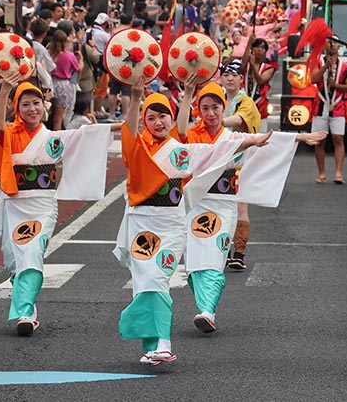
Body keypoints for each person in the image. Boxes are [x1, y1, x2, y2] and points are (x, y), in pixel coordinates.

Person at [113, 74, 270, 365]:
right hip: (140, 223)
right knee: (144, 282)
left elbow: (217, 151)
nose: (158, 122)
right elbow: (129, 127)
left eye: (164, 117)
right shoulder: (136, 148)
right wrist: (135, 98)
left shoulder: (181, 152)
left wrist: (253, 141)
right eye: (152, 117)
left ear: (171, 120)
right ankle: (152, 344)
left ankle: (162, 342)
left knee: (158, 278)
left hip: (171, 223)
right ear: (144, 122)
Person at [176, 78, 325, 332]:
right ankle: (203, 305)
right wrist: (188, 93)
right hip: (195, 205)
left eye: (216, 107)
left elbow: (267, 139)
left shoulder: (233, 137)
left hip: (223, 206)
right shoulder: (192, 135)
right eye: (205, 108)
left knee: (213, 257)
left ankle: (207, 311)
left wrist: (300, 137)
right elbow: (179, 132)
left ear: (225, 109)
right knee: (194, 261)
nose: (211, 113)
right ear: (198, 111)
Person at [0, 78, 112, 336]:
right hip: (14, 204)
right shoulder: (9, 134)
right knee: (14, 262)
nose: (32, 109)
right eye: (25, 104)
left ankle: (23, 312)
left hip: (42, 205)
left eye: (36, 103)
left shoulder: (52, 138)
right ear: (16, 107)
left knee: (31, 253)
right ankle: (29, 308)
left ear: (44, 105)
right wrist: (4, 93)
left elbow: (85, 137)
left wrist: (123, 125)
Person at [219, 59, 262, 271]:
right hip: (217, 160)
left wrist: (217, 121)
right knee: (218, 205)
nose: (229, 78)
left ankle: (239, 252)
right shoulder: (214, 97)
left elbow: (241, 119)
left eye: (234, 75)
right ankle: (223, 250)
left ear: (241, 79)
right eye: (226, 74)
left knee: (240, 205)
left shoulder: (245, 101)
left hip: (239, 161)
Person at [310, 41, 347, 185]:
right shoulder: (318, 62)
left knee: (338, 139)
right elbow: (313, 79)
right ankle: (321, 173)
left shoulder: (345, 66)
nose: (332, 46)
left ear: (339, 47)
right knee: (319, 140)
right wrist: (326, 66)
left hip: (338, 105)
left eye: (335, 44)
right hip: (320, 104)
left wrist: (336, 85)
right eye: (329, 43)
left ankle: (338, 172)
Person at [48, 30, 82, 131]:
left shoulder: (49, 54)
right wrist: (81, 60)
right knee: (59, 119)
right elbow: (78, 69)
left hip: (50, 83)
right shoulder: (69, 55)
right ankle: (56, 142)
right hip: (63, 85)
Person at [245, 37, 278, 131]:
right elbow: (242, 67)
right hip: (244, 104)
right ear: (252, 49)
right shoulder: (246, 65)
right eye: (257, 47)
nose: (260, 50)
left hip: (260, 105)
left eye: (263, 48)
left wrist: (253, 66)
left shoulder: (269, 68)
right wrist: (248, 44)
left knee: (260, 135)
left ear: (265, 52)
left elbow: (261, 80)